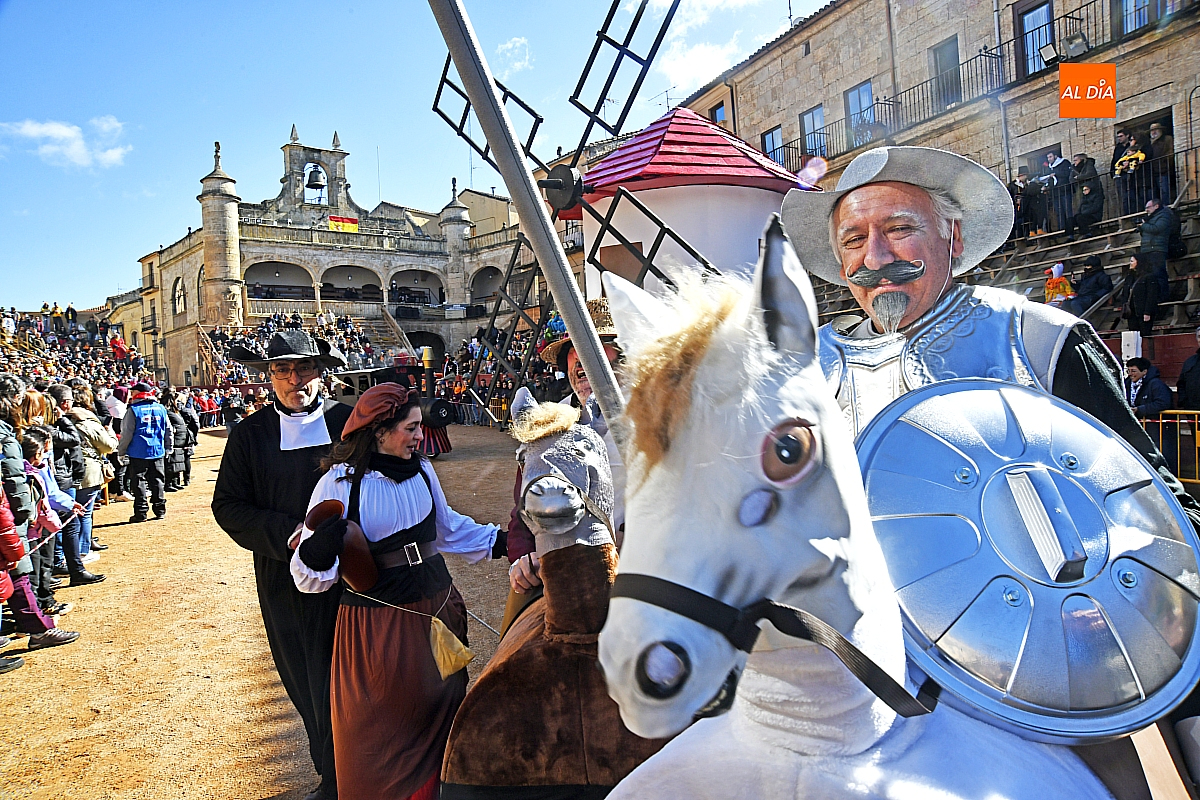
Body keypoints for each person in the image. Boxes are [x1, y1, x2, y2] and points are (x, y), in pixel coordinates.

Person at [778, 144, 1200, 529]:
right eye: (854, 239)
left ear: (954, 237)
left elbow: (1153, 502)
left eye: (899, 229)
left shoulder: (1039, 341)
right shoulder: (813, 364)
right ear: (842, 264)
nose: (875, 257)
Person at [291, 384, 503, 800]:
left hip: (437, 611)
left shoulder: (422, 470)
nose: (420, 436)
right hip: (377, 629)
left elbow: (446, 529)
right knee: (381, 730)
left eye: (420, 426)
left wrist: (504, 541)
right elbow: (307, 576)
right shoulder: (339, 482)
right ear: (379, 431)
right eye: (411, 428)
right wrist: (316, 551)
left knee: (443, 714)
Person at [212, 330, 353, 800]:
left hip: (353, 572)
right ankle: (331, 775)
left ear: (320, 371)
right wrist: (290, 534)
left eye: (304, 368)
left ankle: (365, 770)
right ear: (269, 376)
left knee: (353, 674)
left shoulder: (348, 422)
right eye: (282, 370)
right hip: (284, 577)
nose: (295, 380)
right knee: (306, 677)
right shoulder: (250, 434)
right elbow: (228, 506)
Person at [508, 298, 626, 595]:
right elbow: (524, 503)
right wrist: (522, 556)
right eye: (575, 350)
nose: (583, 360)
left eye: (596, 348)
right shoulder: (549, 421)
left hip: (640, 568)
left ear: (623, 357)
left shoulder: (656, 418)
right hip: (561, 571)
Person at [0, 374, 78, 649]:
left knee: (17, 574)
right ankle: (37, 629)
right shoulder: (5, 436)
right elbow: (14, 479)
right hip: (9, 515)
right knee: (19, 572)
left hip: (10, 512)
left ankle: (35, 626)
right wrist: (25, 512)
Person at [67, 385, 116, 561]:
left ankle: (72, 552)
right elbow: (109, 446)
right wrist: (110, 432)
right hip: (88, 470)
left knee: (69, 513)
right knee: (84, 513)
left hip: (66, 470)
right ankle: (83, 550)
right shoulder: (88, 422)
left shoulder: (60, 419)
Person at [117, 382, 171, 523]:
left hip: (138, 451)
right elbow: (168, 430)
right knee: (158, 481)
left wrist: (121, 451)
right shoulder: (160, 408)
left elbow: (126, 433)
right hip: (157, 450)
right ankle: (160, 509)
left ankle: (141, 512)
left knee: (138, 482)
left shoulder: (133, 410)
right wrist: (168, 447)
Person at [1139, 196, 1180, 299]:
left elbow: (1157, 229)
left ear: (1156, 206)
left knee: (1159, 274)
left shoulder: (1164, 215)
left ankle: (1163, 296)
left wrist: (1143, 226)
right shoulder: (1150, 218)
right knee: (1151, 275)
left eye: (1148, 207)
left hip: (1157, 249)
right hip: (1147, 249)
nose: (1146, 210)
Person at [1148, 122, 1175, 205]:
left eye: (1155, 129)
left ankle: (1165, 207)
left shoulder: (1167, 139)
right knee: (1153, 192)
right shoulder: (1149, 143)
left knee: (1164, 190)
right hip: (1152, 171)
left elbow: (1170, 152)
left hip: (1163, 169)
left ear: (1160, 130)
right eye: (1152, 130)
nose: (1153, 132)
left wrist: (1165, 162)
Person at [1177, 328, 1200, 411]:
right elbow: (1181, 384)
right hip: (1193, 411)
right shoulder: (1190, 361)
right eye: (1199, 336)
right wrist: (1185, 403)